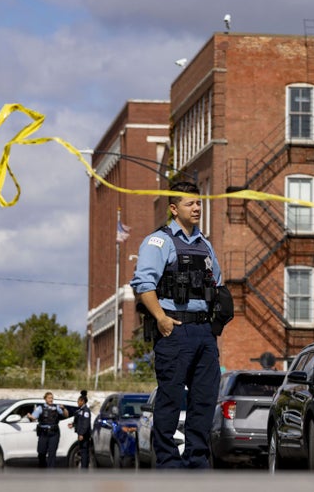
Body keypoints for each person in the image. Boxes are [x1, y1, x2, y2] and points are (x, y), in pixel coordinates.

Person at [130, 181, 222, 469]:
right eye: (189, 204)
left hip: (204, 332)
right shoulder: (159, 241)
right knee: (170, 398)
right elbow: (144, 284)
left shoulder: (205, 244)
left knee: (204, 399)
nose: (196, 208)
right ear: (173, 208)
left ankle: (197, 461)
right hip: (174, 330)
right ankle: (168, 463)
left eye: (199, 203)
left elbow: (217, 282)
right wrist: (161, 318)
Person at [27, 391, 67, 468]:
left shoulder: (56, 407)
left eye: (52, 398)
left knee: (52, 454)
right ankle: (42, 469)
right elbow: (34, 417)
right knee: (41, 452)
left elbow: (66, 415)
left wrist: (64, 408)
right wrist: (30, 416)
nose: (51, 400)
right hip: (43, 433)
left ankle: (50, 472)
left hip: (54, 433)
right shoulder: (40, 408)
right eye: (49, 398)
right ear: (45, 399)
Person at [68, 389, 92, 469]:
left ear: (82, 401)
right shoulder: (80, 410)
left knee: (84, 452)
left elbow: (85, 424)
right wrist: (73, 424)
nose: (77, 403)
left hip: (84, 435)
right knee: (82, 451)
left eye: (78, 401)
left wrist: (81, 433)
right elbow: (79, 421)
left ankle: (84, 468)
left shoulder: (86, 411)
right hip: (81, 434)